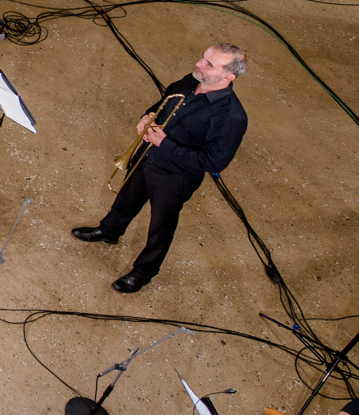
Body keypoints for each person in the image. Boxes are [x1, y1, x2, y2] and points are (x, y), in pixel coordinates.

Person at [71, 43, 248, 292]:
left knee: (160, 226)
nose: (199, 64)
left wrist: (164, 144)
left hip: (175, 177)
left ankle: (144, 272)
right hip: (147, 156)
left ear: (228, 76)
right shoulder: (190, 81)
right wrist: (147, 116)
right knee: (127, 198)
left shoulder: (231, 117)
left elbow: (213, 161)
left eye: (209, 64)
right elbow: (161, 105)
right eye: (202, 57)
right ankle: (110, 230)